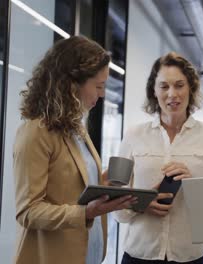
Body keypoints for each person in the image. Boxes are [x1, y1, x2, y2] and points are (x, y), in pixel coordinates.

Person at [13, 36, 136, 264]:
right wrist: (86, 213)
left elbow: (74, 185)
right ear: (72, 84)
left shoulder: (76, 127)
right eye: (98, 86)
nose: (101, 94)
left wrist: (105, 184)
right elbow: (28, 211)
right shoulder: (35, 133)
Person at [114, 52, 203, 264]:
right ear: (154, 90)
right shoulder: (133, 135)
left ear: (191, 88)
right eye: (164, 86)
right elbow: (115, 205)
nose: (172, 94)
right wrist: (143, 202)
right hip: (139, 256)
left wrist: (193, 184)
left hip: (188, 257)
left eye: (179, 85)